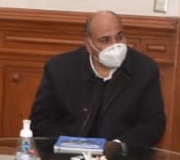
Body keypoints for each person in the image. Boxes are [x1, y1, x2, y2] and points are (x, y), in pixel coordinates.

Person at [28, 10, 166, 151]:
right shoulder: (59, 68)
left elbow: (153, 125)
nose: (115, 46)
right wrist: (69, 146)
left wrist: (118, 146)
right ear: (89, 45)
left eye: (119, 37)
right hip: (67, 155)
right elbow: (41, 121)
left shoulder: (145, 69)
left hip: (121, 159)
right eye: (105, 40)